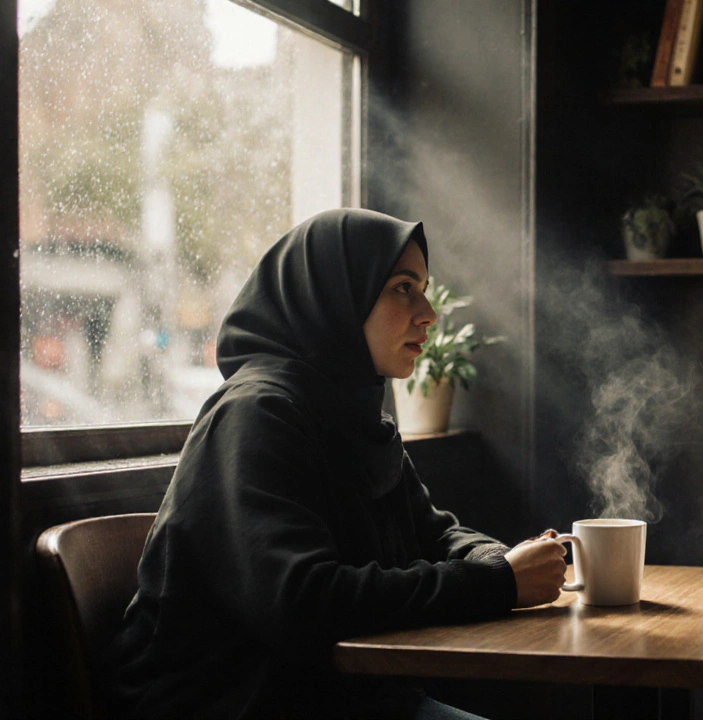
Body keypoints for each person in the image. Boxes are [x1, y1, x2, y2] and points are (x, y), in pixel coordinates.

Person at [104, 209, 568, 719]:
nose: (428, 312)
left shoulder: (355, 415)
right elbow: (305, 601)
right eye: (402, 288)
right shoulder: (257, 413)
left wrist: (498, 559)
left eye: (424, 288)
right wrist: (499, 583)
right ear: (333, 296)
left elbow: (434, 534)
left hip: (337, 693)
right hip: (231, 701)